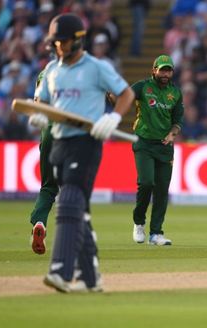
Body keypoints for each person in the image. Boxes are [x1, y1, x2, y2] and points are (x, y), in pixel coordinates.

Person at [28, 13, 135, 292]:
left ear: (78, 40)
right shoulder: (51, 70)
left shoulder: (97, 68)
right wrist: (39, 115)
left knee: (69, 199)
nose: (59, 47)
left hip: (86, 142)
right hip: (58, 143)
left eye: (63, 42)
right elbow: (42, 102)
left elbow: (125, 94)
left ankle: (61, 270)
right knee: (79, 210)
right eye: (56, 43)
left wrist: (113, 117)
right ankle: (90, 279)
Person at [131, 54, 184, 246]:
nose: (165, 74)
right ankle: (138, 222)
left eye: (168, 70)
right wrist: (112, 97)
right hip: (143, 142)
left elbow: (178, 120)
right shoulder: (142, 87)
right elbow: (123, 98)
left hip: (164, 146)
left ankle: (156, 233)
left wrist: (172, 134)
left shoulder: (175, 93)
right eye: (162, 70)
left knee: (162, 190)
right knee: (146, 183)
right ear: (154, 70)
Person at [28, 70, 58, 255]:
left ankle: (39, 223)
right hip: (70, 134)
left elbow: (38, 103)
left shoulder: (44, 74)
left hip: (48, 132)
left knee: (48, 188)